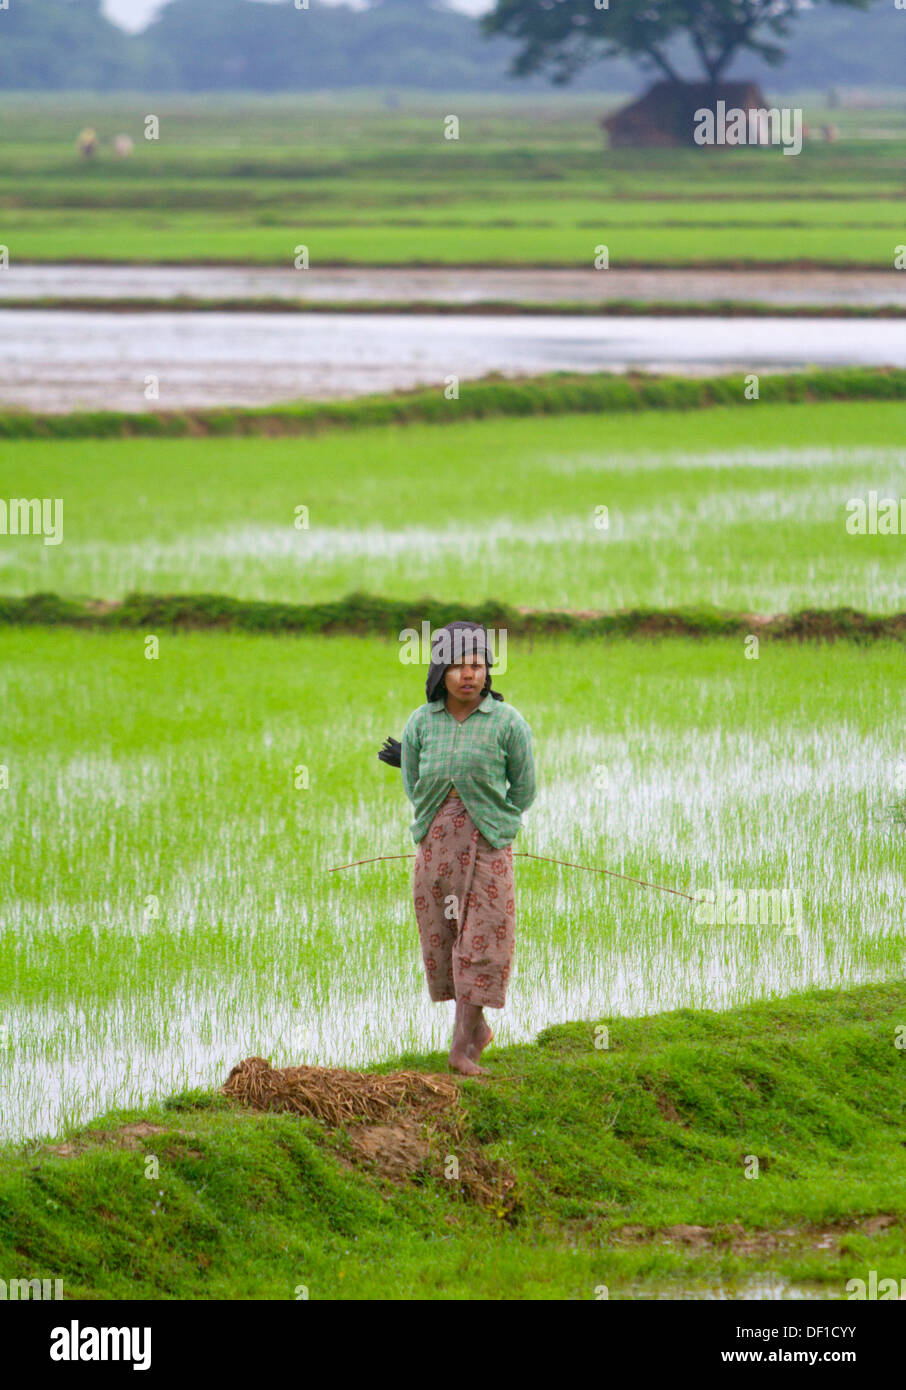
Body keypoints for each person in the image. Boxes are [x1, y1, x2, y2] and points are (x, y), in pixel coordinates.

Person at [378, 621, 536, 1076]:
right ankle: (477, 1028)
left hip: (488, 847)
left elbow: (524, 789)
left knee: (481, 942)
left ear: (488, 670)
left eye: (478, 665)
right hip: (436, 848)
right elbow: (413, 783)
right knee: (447, 940)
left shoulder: (507, 722)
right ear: (440, 671)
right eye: (458, 666)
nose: (469, 674)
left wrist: (495, 820)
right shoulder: (421, 722)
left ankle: (460, 1049)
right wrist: (442, 818)